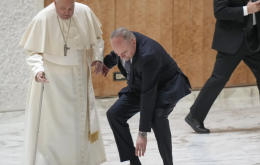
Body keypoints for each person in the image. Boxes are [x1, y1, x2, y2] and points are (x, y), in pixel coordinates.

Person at [19, 0, 107, 164]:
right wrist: (38, 70)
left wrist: (97, 58)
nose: (67, 12)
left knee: (80, 122)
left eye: (70, 8)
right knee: (55, 126)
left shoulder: (84, 11)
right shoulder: (42, 18)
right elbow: (33, 52)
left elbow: (96, 39)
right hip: (54, 80)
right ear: (55, 4)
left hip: (80, 75)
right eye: (62, 9)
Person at [102, 27, 191, 165]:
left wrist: (142, 133)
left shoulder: (149, 55)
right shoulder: (124, 45)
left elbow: (148, 94)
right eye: (118, 53)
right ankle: (134, 162)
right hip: (139, 84)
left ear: (133, 42)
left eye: (124, 53)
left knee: (157, 117)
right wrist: (106, 64)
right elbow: (116, 54)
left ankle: (168, 163)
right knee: (114, 114)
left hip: (166, 87)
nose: (121, 57)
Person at [185, 0, 260, 134]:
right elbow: (219, 11)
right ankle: (194, 116)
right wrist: (246, 10)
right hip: (232, 40)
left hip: (254, 38)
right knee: (218, 78)